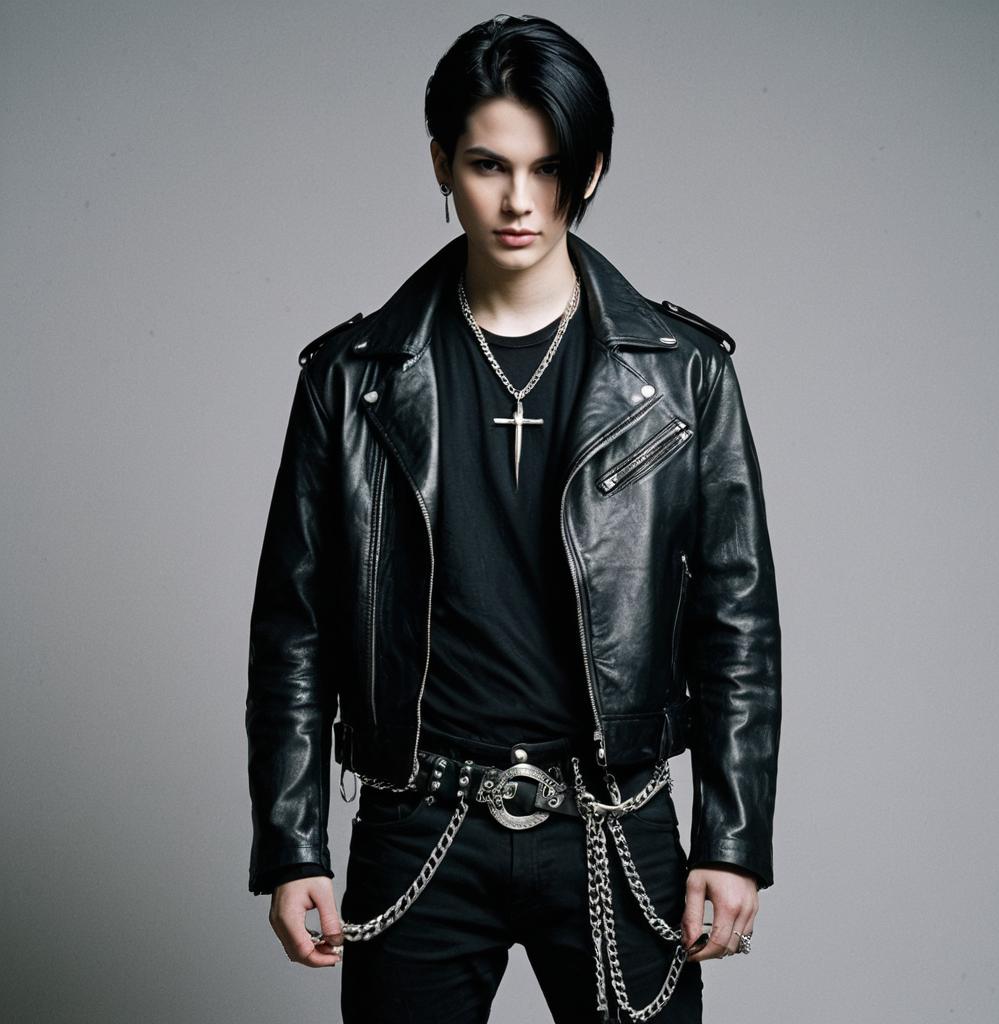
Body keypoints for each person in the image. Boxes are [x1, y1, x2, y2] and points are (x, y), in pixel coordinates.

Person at [246, 14, 782, 1023]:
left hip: (614, 816)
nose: (520, 200)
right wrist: (292, 844)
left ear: (591, 168)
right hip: (420, 821)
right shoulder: (352, 379)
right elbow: (294, 629)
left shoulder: (682, 374)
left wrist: (733, 837)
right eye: (489, 165)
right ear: (442, 163)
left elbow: (737, 621)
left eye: (549, 168)